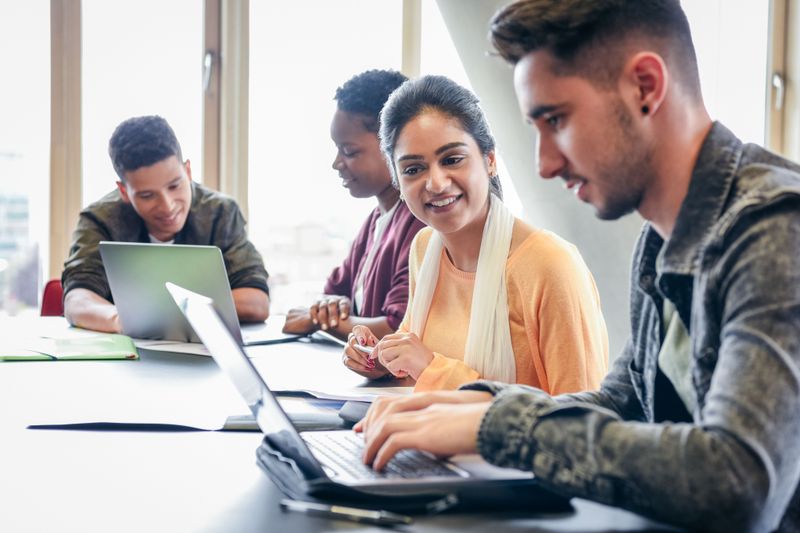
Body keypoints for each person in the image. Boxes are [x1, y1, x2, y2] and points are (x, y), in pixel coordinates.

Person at [355, 1, 800, 531]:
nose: (544, 163)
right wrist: (466, 407)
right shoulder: (660, 238)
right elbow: (624, 403)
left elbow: (737, 484)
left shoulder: (776, 230)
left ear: (645, 86)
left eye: (557, 121)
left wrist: (501, 427)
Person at [343, 75, 608, 394]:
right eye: (413, 169)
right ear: (398, 182)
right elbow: (417, 364)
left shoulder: (550, 265)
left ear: (490, 160)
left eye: (452, 160)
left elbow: (580, 416)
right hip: (429, 425)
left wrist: (431, 368)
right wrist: (379, 360)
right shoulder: (425, 248)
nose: (436, 183)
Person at [63, 115, 270, 333]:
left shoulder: (221, 213)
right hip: (129, 348)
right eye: (147, 195)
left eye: (174, 186)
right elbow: (77, 300)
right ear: (124, 191)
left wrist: (164, 312)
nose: (167, 206)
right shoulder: (100, 220)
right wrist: (122, 320)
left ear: (187, 171)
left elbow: (257, 301)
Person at [283, 70, 425, 341]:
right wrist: (328, 310)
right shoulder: (375, 221)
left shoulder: (420, 223)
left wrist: (317, 320)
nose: (337, 163)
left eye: (349, 151)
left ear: (393, 144)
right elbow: (332, 294)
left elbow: (397, 329)